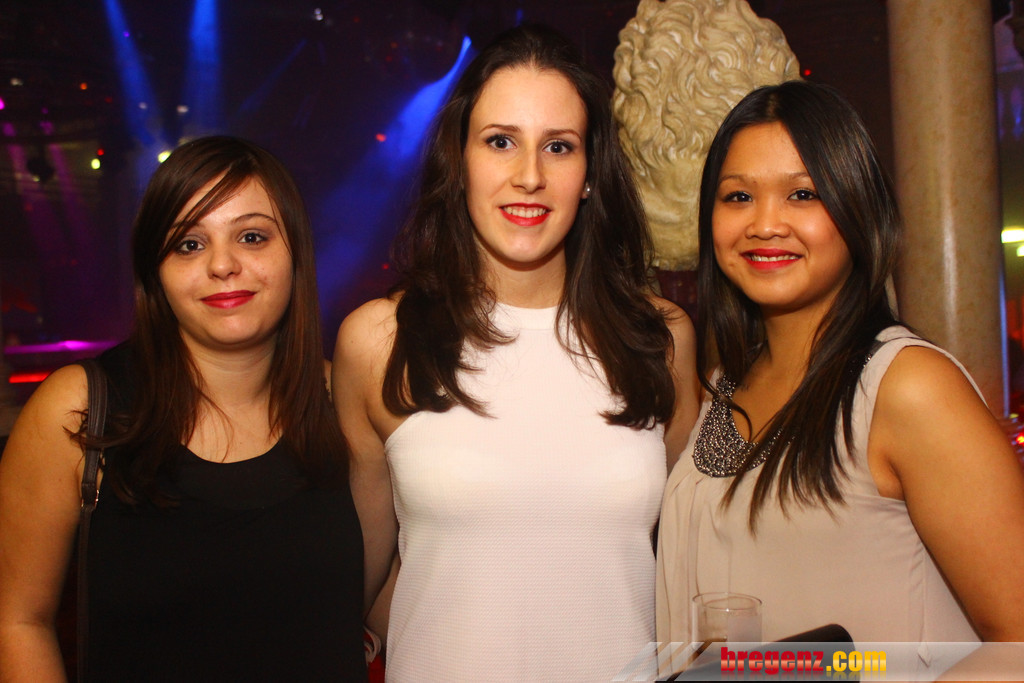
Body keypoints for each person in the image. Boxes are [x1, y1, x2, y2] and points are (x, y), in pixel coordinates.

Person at [333, 24, 700, 682]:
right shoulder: (380, 342)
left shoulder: (658, 338)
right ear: (460, 160)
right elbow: (355, 579)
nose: (529, 176)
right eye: (500, 141)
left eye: (559, 147)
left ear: (590, 174)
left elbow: (694, 564)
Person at [656, 81, 1024, 671]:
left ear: (858, 210)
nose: (765, 224)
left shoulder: (906, 386)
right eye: (738, 196)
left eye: (802, 194)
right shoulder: (724, 387)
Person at [0, 136, 367, 681]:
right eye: (189, 245)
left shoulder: (349, 403)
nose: (223, 265)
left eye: (252, 236)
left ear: (296, 252)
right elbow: (18, 621)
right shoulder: (78, 408)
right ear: (157, 272)